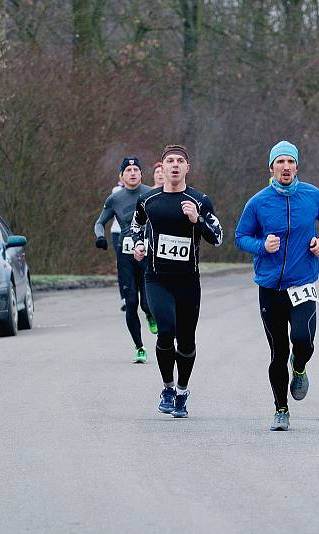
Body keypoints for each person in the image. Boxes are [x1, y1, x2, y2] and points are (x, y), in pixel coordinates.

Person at [235, 140, 319, 431]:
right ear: (271, 168)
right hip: (270, 288)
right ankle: (281, 409)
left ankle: (300, 366)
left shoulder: (312, 195)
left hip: (302, 283)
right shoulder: (258, 202)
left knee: (304, 341)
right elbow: (240, 236)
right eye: (280, 162)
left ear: (296, 167)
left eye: (290, 162)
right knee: (277, 352)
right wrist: (261, 245)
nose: (286, 167)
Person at [131, 145, 223, 418]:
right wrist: (138, 245)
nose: (174, 165)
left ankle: (182, 391)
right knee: (166, 330)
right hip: (156, 278)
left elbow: (217, 238)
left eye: (179, 161)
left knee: (186, 341)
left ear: (187, 168)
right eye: (169, 161)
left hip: (188, 282)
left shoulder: (200, 200)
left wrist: (197, 220)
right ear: (161, 167)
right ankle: (167, 388)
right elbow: (135, 226)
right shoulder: (148, 200)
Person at [94, 157, 157, 363]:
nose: (132, 173)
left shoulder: (151, 194)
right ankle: (139, 347)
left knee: (147, 303)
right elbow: (100, 222)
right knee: (131, 302)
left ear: (141, 173)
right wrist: (100, 237)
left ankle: (149, 313)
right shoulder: (115, 199)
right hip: (125, 255)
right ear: (121, 176)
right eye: (128, 170)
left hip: (147, 254)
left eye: (136, 169)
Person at [110, 181, 125, 310]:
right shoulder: (116, 191)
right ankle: (124, 297)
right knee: (122, 264)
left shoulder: (143, 191)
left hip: (135, 232)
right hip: (118, 232)